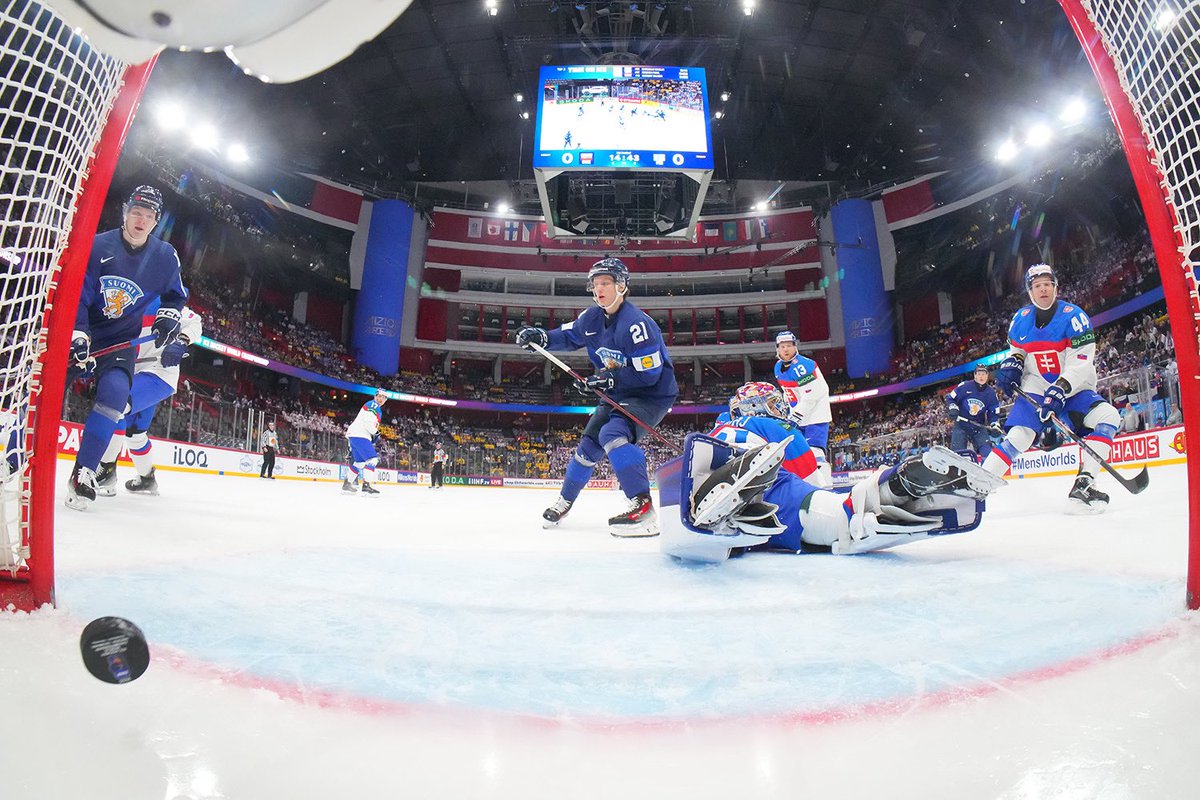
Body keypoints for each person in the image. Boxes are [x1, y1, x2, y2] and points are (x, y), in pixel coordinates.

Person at [657, 382, 1005, 564]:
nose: (782, 410)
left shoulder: (717, 429)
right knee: (837, 516)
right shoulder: (774, 426)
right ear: (759, 405)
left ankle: (723, 510)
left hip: (711, 472)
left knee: (749, 526)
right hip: (774, 488)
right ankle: (897, 487)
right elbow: (810, 478)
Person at [515, 257, 678, 537]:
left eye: (606, 283)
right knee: (589, 446)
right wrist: (541, 337)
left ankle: (643, 506)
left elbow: (649, 375)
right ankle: (565, 500)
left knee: (612, 433)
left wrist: (608, 378)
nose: (599, 289)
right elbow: (568, 336)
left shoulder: (638, 325)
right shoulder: (591, 318)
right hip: (618, 391)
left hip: (651, 394)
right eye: (595, 284)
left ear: (622, 286)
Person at [65, 185, 188, 511]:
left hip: (125, 349)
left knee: (117, 399)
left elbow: (178, 302)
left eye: (149, 216)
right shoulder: (99, 246)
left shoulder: (164, 258)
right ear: (125, 212)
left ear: (156, 221)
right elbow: (81, 294)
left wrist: (172, 326)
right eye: (136, 212)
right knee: (45, 391)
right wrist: (78, 333)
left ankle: (88, 472)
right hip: (84, 334)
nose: (141, 220)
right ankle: (14, 457)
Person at [985, 263, 1123, 513]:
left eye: (1048, 284)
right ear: (1030, 291)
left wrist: (1061, 387)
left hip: (1073, 390)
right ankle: (979, 486)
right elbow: (1017, 350)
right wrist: (1013, 363)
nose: (1043, 290)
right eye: (1037, 286)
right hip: (1037, 386)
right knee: (1020, 435)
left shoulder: (1075, 317)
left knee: (1109, 416)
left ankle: (1084, 484)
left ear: (1056, 288)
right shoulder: (1020, 320)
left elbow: (1082, 360)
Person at [93, 306, 203, 497]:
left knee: (117, 406)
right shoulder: (124, 301)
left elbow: (195, 322)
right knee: (135, 434)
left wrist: (182, 340)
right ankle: (147, 479)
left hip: (159, 372)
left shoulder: (163, 300)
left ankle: (107, 471)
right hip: (134, 373)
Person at [772, 331, 834, 487]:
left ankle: (826, 488)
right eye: (782, 346)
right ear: (777, 349)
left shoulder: (803, 366)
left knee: (816, 454)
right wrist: (788, 412)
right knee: (800, 454)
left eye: (789, 346)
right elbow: (788, 393)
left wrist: (795, 416)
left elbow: (812, 395)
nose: (786, 350)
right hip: (799, 416)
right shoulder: (778, 368)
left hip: (815, 416)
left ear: (795, 347)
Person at [945, 364, 1001, 458]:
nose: (981, 377)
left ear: (987, 375)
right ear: (975, 375)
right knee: (957, 455)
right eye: (979, 374)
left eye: (983, 374)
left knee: (988, 454)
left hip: (978, 427)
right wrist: (953, 407)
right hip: (961, 425)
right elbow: (951, 398)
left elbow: (993, 413)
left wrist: (994, 425)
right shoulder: (965, 386)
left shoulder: (991, 393)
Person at [342, 389, 386, 495]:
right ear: (375, 396)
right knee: (372, 460)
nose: (381, 399)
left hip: (356, 434)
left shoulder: (373, 405)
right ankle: (366, 485)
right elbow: (368, 422)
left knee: (360, 463)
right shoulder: (373, 405)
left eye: (383, 397)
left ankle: (347, 483)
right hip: (361, 435)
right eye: (379, 396)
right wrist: (375, 433)